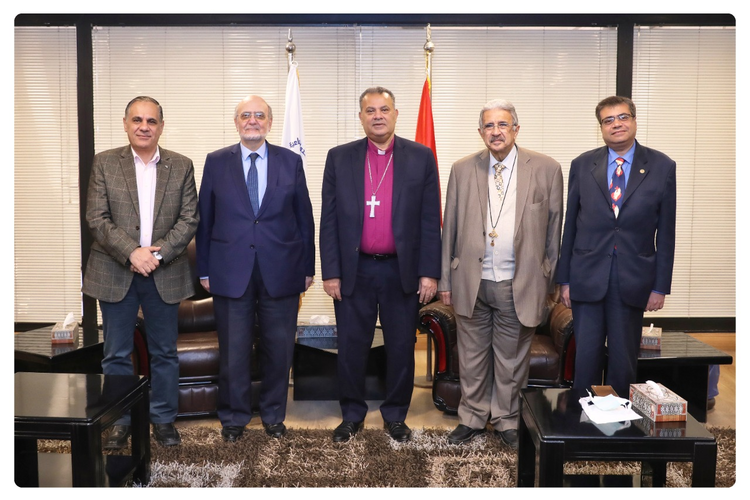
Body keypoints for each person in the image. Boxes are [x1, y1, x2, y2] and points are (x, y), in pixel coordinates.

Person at [439, 99, 563, 449]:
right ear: (481, 132)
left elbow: (554, 230)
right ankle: (472, 418)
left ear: (516, 129)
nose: (496, 132)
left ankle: (507, 419)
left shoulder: (546, 168)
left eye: (503, 124)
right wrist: (446, 280)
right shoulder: (462, 169)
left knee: (511, 360)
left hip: (518, 282)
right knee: (472, 356)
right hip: (471, 281)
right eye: (489, 126)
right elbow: (450, 229)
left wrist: (548, 281)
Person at [320, 86, 442, 443]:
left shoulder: (420, 157)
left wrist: (429, 272)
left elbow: (429, 219)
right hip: (354, 269)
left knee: (401, 347)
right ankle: (352, 415)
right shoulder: (339, 157)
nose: (377, 116)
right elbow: (329, 220)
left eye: (384, 109)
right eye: (370, 110)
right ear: (360, 117)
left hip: (400, 270)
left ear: (395, 114)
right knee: (351, 347)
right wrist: (331, 272)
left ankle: (395, 416)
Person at [196, 95, 315, 442]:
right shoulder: (216, 161)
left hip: (282, 270)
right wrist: (204, 269)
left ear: (269, 123)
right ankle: (234, 418)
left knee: (279, 349)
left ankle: (273, 415)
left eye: (259, 115)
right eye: (245, 115)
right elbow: (205, 220)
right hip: (230, 271)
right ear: (236, 122)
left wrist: (307, 267)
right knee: (234, 351)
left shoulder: (290, 161)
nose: (252, 120)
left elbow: (304, 218)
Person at [83, 96, 199, 448]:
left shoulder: (181, 165)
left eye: (151, 121)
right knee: (116, 353)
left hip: (164, 272)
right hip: (114, 270)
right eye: (137, 120)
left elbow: (189, 219)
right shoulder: (105, 162)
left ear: (161, 126)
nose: (144, 127)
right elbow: (96, 217)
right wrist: (132, 252)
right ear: (125, 124)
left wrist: (156, 256)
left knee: (165, 352)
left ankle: (163, 419)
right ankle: (120, 420)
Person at [557, 95, 676, 397]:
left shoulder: (662, 166)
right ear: (601, 127)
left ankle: (620, 418)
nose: (616, 124)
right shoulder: (583, 164)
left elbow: (666, 233)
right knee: (586, 358)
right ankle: (584, 416)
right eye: (608, 120)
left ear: (634, 120)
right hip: (587, 276)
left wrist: (660, 287)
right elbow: (570, 226)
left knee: (623, 361)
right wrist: (565, 280)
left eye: (623, 117)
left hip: (633, 279)